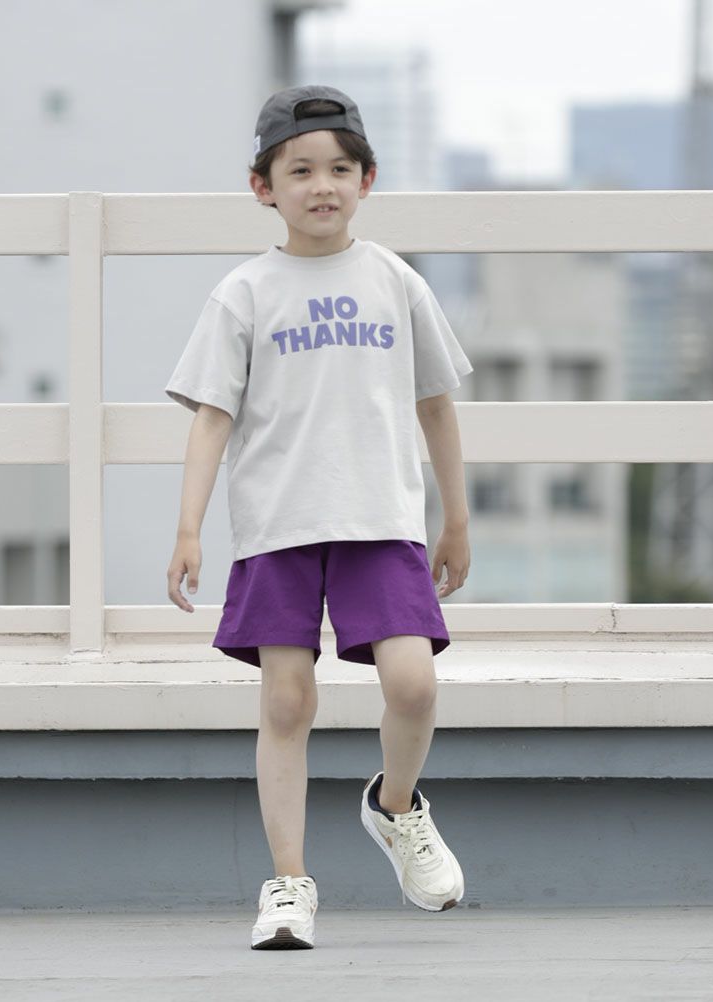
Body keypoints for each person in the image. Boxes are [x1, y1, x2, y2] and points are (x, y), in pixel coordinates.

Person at [164, 84, 473, 950]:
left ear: (368, 180)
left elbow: (437, 405)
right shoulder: (243, 293)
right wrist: (188, 528)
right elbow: (211, 419)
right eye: (299, 170)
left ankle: (396, 808)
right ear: (263, 187)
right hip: (279, 526)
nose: (321, 185)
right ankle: (289, 884)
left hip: (382, 520)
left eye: (339, 168)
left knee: (413, 684)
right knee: (287, 701)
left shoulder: (395, 280)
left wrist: (455, 520)